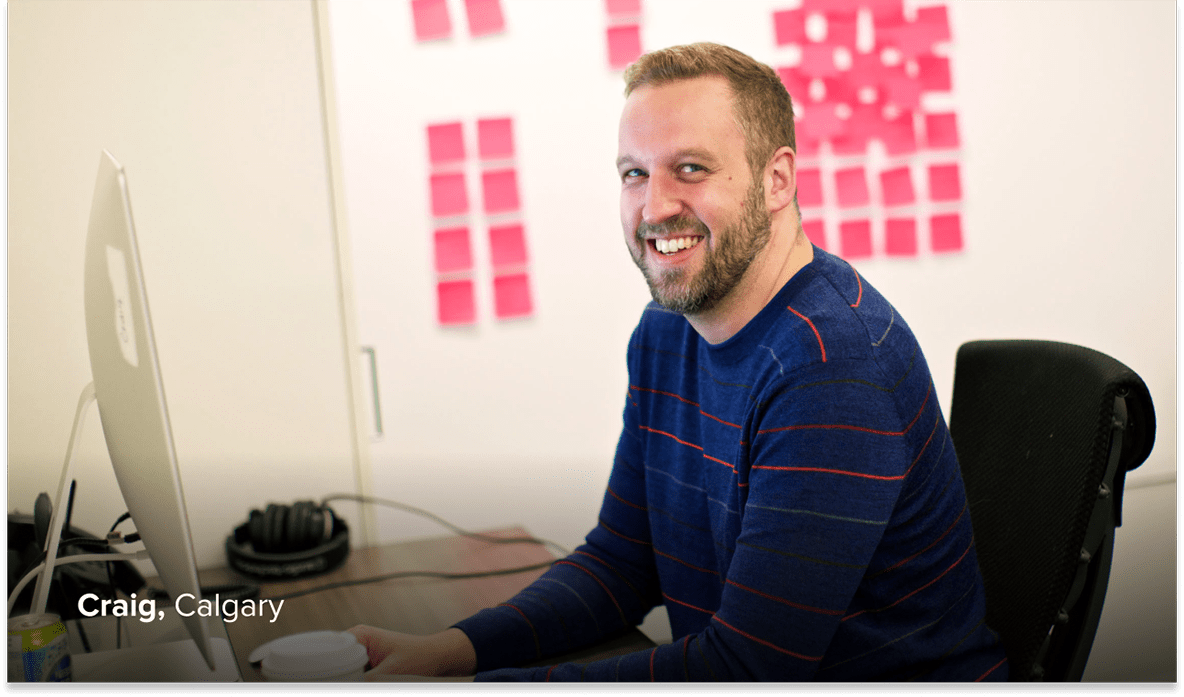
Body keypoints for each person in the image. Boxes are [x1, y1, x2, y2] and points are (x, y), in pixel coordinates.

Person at [349, 42, 1009, 683]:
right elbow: (619, 564)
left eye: (690, 168)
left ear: (777, 179)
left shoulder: (831, 368)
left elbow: (748, 669)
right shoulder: (667, 331)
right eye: (635, 172)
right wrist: (448, 652)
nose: (654, 207)